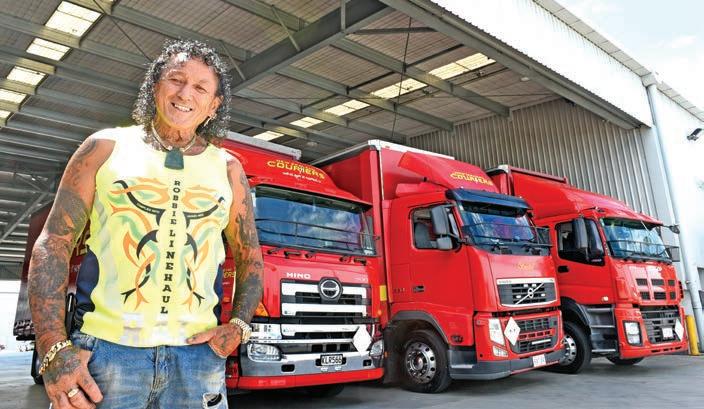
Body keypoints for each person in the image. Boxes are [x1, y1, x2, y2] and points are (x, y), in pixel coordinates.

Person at [27, 39, 264, 409]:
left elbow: (250, 257)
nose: (185, 94)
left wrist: (239, 327)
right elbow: (53, 243)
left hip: (198, 358)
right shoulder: (104, 148)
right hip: (105, 354)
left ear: (214, 105)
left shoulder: (228, 169)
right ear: (155, 85)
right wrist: (53, 346)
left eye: (200, 88)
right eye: (176, 80)